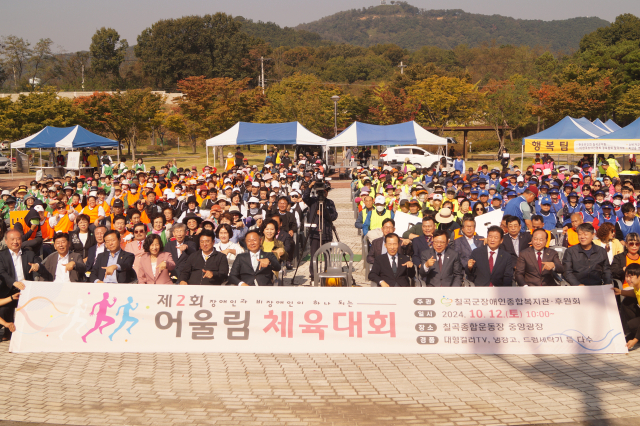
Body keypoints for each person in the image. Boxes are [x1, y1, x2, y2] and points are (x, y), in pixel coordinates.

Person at [0, 230, 45, 340]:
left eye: (18, 239)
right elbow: (1, 272)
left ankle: (30, 331)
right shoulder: (1, 255)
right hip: (8, 287)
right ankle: (8, 331)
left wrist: (37, 266)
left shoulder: (28, 253)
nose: (15, 242)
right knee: (4, 309)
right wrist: (13, 282)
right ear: (6, 241)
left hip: (26, 288)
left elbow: (39, 263)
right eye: (12, 239)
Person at [302, 181, 338, 278]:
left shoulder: (330, 202)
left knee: (327, 255)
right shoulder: (313, 201)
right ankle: (313, 274)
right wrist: (309, 186)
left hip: (326, 232)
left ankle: (327, 273)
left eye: (325, 191)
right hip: (315, 233)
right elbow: (305, 198)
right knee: (314, 255)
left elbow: (334, 216)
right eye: (321, 191)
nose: (323, 193)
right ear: (317, 192)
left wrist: (324, 214)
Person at [612, 263, 640, 350]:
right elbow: (634, 293)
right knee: (627, 301)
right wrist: (620, 292)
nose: (627, 279)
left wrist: (635, 340)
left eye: (631, 277)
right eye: (626, 276)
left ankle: (637, 336)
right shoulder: (637, 287)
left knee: (632, 324)